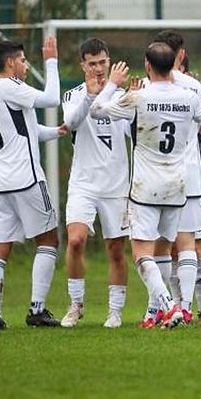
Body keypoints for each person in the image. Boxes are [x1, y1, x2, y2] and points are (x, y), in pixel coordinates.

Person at [90, 42, 201, 330]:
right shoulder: (189, 96)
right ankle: (154, 313)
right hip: (178, 185)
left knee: (143, 254)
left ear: (147, 66)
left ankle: (168, 307)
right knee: (163, 250)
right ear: (174, 65)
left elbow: (95, 111)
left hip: (146, 187)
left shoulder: (137, 98)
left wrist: (113, 86)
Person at [0, 37, 67, 329]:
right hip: (26, 179)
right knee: (49, 240)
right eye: (22, 60)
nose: (25, 65)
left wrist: (57, 131)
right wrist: (52, 61)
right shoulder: (10, 86)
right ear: (9, 63)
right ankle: (37, 309)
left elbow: (27, 131)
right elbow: (53, 99)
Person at [146, 30, 201, 326]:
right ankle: (186, 307)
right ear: (181, 55)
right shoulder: (193, 88)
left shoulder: (145, 90)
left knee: (160, 245)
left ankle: (159, 309)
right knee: (189, 243)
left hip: (157, 177)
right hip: (191, 174)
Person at [58, 38, 130, 329]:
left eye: (102, 62)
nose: (98, 68)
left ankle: (115, 311)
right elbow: (72, 123)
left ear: (109, 61)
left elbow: (130, 130)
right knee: (75, 241)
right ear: (82, 66)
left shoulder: (122, 94)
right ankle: (76, 304)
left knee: (115, 250)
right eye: (92, 63)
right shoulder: (74, 95)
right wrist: (89, 96)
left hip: (115, 185)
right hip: (84, 183)